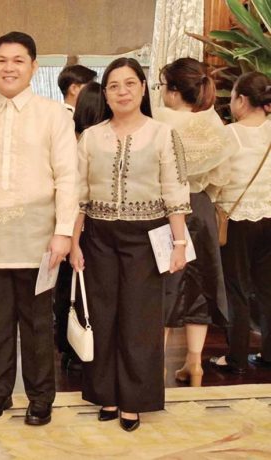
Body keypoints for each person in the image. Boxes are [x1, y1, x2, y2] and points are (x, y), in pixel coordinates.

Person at [0, 31, 78, 426]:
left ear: (33, 66)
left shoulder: (54, 115)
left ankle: (40, 396)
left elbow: (68, 177)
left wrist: (63, 231)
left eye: (17, 60)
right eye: (1, 60)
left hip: (39, 240)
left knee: (36, 323)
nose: (8, 67)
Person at [70, 57, 190, 432]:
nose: (121, 92)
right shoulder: (91, 137)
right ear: (104, 94)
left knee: (140, 320)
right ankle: (105, 392)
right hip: (99, 235)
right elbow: (79, 195)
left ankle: (134, 400)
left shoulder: (162, 134)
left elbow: (174, 191)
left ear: (142, 88)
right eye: (113, 86)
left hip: (146, 235)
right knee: (103, 316)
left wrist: (180, 242)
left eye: (129, 84)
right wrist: (74, 243)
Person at [154, 57, 234, 386]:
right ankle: (195, 364)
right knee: (199, 287)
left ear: (173, 91)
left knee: (161, 287)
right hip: (200, 207)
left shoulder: (159, 123)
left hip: (163, 210)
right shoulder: (214, 125)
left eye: (161, 85)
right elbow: (221, 177)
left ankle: (153, 365)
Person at [210, 72, 271, 374]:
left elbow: (218, 179)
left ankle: (236, 357)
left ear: (242, 100)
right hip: (270, 217)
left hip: (236, 219)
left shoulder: (229, 134)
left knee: (236, 288)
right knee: (267, 288)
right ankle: (269, 354)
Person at [54, 80, 104, 374]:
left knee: (67, 287)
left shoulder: (69, 139)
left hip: (68, 222)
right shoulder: (98, 140)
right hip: (93, 222)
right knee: (92, 287)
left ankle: (69, 346)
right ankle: (89, 346)